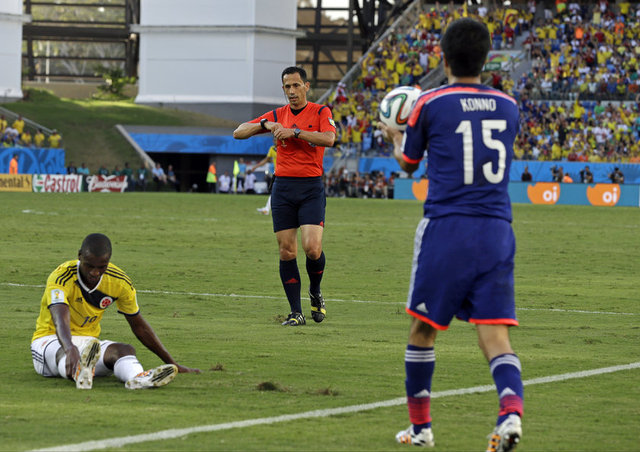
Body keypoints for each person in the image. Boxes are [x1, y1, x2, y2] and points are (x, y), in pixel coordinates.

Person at [381, 18, 523, 451]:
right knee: (495, 335)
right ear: (486, 59)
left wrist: (395, 137)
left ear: (443, 59)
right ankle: (510, 414)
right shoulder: (509, 106)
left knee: (423, 329)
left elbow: (409, 164)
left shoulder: (430, 103)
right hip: (497, 230)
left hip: (447, 227)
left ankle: (420, 429)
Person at [233, 66, 336, 326]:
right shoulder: (278, 115)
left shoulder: (321, 112)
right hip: (283, 188)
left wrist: (295, 132)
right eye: (287, 86)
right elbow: (238, 132)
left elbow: (329, 139)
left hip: (311, 188)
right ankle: (295, 312)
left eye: (296, 85)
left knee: (312, 248)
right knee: (287, 251)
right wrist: (266, 124)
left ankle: (315, 291)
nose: (291, 91)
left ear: (306, 86)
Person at [30, 233, 200, 390]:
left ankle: (137, 379)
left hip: (90, 345)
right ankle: (80, 371)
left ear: (108, 261)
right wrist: (69, 348)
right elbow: (60, 317)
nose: (95, 272)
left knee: (124, 350)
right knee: (65, 354)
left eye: (101, 267)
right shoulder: (61, 277)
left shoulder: (119, 282)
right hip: (50, 339)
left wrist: (173, 363)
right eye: (89, 265)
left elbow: (139, 326)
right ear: (79, 256)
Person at [250, 137, 278, 215]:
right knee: (274, 192)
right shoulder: (272, 149)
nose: (274, 141)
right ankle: (266, 209)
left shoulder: (284, 147)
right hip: (277, 173)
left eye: (276, 139)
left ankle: (267, 209)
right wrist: (255, 167)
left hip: (286, 173)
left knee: (276, 192)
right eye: (274, 139)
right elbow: (266, 160)